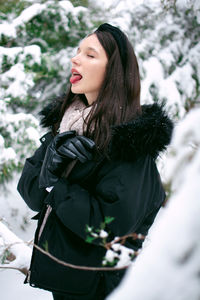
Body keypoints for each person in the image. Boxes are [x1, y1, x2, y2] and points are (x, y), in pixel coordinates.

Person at [17, 23, 173, 300]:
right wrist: (50, 164)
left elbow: (109, 230)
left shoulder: (130, 144)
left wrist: (58, 185)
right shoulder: (66, 126)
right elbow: (30, 193)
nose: (74, 59)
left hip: (101, 291)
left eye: (90, 55)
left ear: (114, 71)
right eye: (77, 52)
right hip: (66, 285)